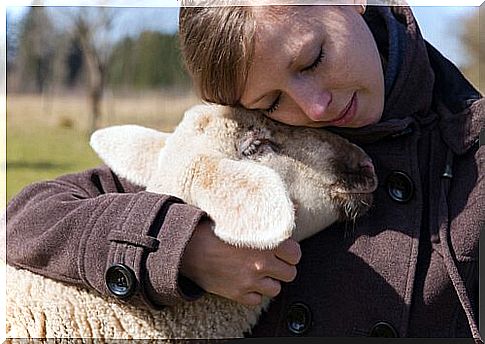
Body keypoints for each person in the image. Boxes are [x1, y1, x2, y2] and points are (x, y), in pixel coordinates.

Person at [6, 1, 483, 341]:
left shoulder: (473, 161)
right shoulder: (239, 144)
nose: (315, 108)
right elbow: (26, 219)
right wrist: (182, 247)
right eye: (272, 100)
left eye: (314, 58)